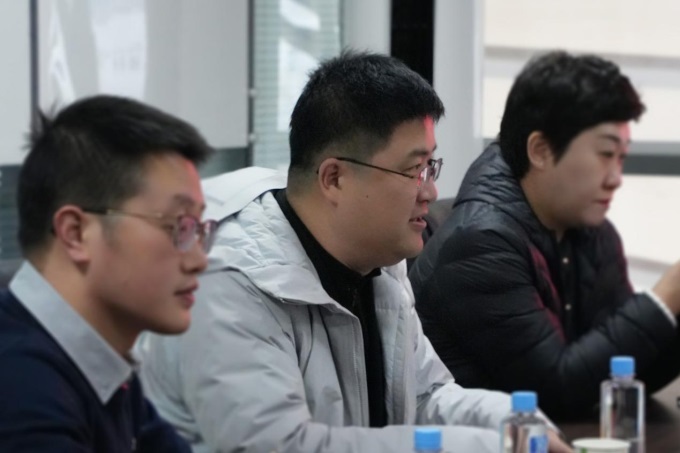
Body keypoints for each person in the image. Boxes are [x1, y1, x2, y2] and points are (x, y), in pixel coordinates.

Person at [136, 51, 571, 452]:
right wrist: (485, 447)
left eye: (430, 167)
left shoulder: (379, 260)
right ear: (335, 179)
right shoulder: (230, 280)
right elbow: (281, 446)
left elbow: (426, 397)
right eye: (413, 170)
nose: (431, 192)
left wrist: (513, 422)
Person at [409, 50, 680, 419]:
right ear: (540, 150)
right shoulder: (479, 243)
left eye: (621, 157)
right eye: (605, 154)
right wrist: (664, 297)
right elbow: (556, 390)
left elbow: (622, 369)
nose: (616, 178)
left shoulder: (588, 229)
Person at [0, 95, 218, 451]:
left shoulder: (98, 361)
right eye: (179, 225)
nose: (199, 260)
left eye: (198, 229)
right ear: (76, 233)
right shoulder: (22, 395)